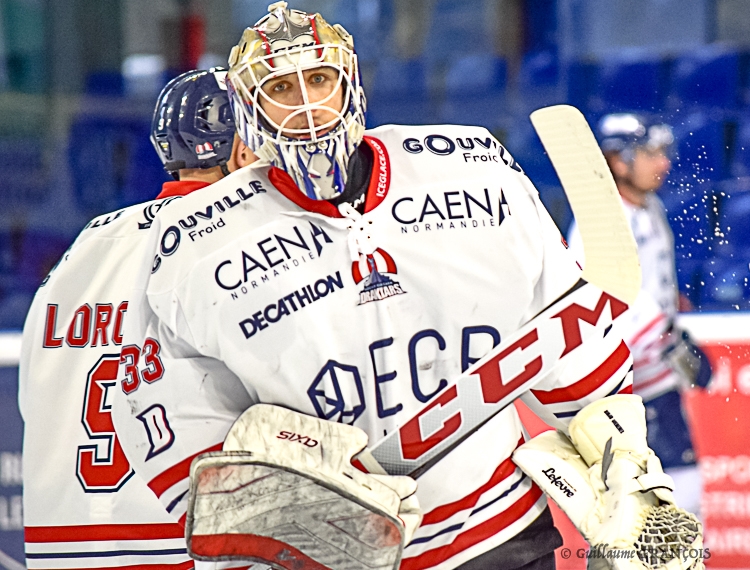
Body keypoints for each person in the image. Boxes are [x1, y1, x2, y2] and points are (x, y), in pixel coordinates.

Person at [110, 5, 681, 570]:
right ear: (249, 108)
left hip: (500, 537)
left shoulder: (474, 171)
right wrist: (271, 513)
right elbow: (164, 418)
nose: (307, 106)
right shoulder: (197, 245)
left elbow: (567, 342)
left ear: (350, 82)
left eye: (318, 78)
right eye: (281, 88)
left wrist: (628, 481)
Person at [17, 67, 255, 570]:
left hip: (59, 549)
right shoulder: (248, 245)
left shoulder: (86, 247)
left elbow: (32, 395)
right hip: (179, 551)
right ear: (243, 150)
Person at [567, 112, 712, 517]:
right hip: (626, 386)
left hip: (653, 375)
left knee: (680, 487)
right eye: (650, 153)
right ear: (618, 161)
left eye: (663, 152)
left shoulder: (649, 209)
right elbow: (602, 302)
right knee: (657, 500)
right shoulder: (601, 223)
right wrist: (670, 337)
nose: (663, 163)